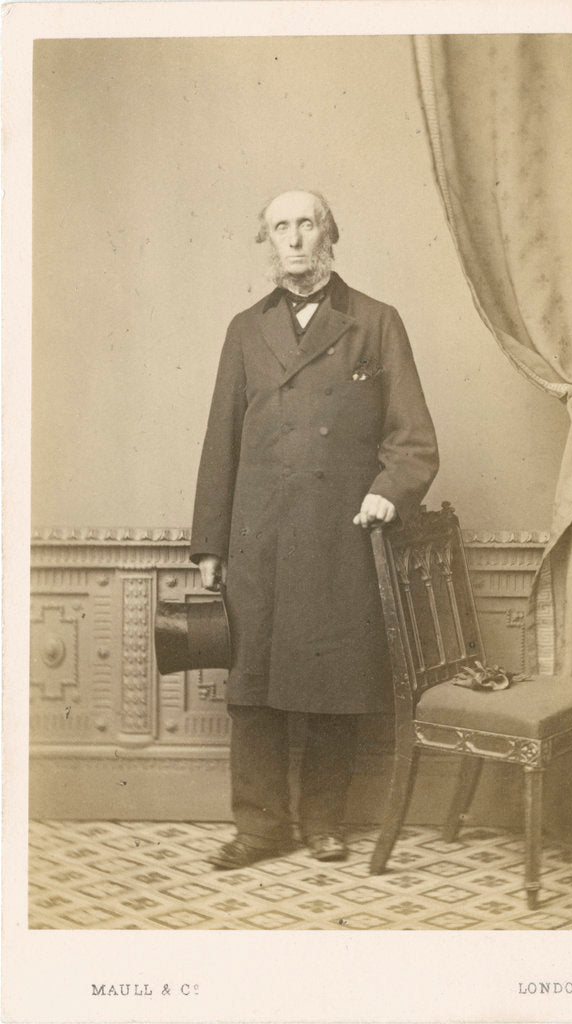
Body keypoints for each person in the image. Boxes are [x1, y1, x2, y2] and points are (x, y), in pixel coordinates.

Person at [189, 189, 439, 868]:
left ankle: (326, 821)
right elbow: (220, 440)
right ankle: (261, 828)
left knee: (334, 683)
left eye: (307, 224)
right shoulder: (245, 329)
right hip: (260, 539)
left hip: (338, 536)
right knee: (253, 690)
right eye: (281, 227)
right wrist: (211, 542)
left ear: (329, 234)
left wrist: (387, 493)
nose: (295, 239)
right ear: (267, 241)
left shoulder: (376, 321)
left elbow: (414, 440)